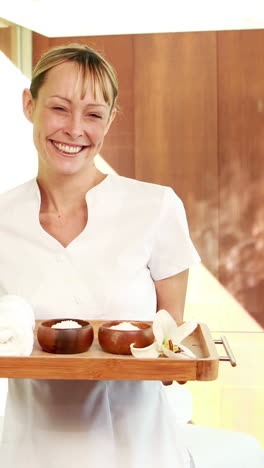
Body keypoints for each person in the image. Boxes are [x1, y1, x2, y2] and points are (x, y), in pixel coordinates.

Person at [0, 44, 263, 468]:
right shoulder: (2, 219)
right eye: (59, 108)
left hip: (140, 450)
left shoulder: (155, 207)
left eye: (93, 114)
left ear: (110, 121)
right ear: (29, 105)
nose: (74, 129)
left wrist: (177, 361)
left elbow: (170, 338)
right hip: (34, 449)